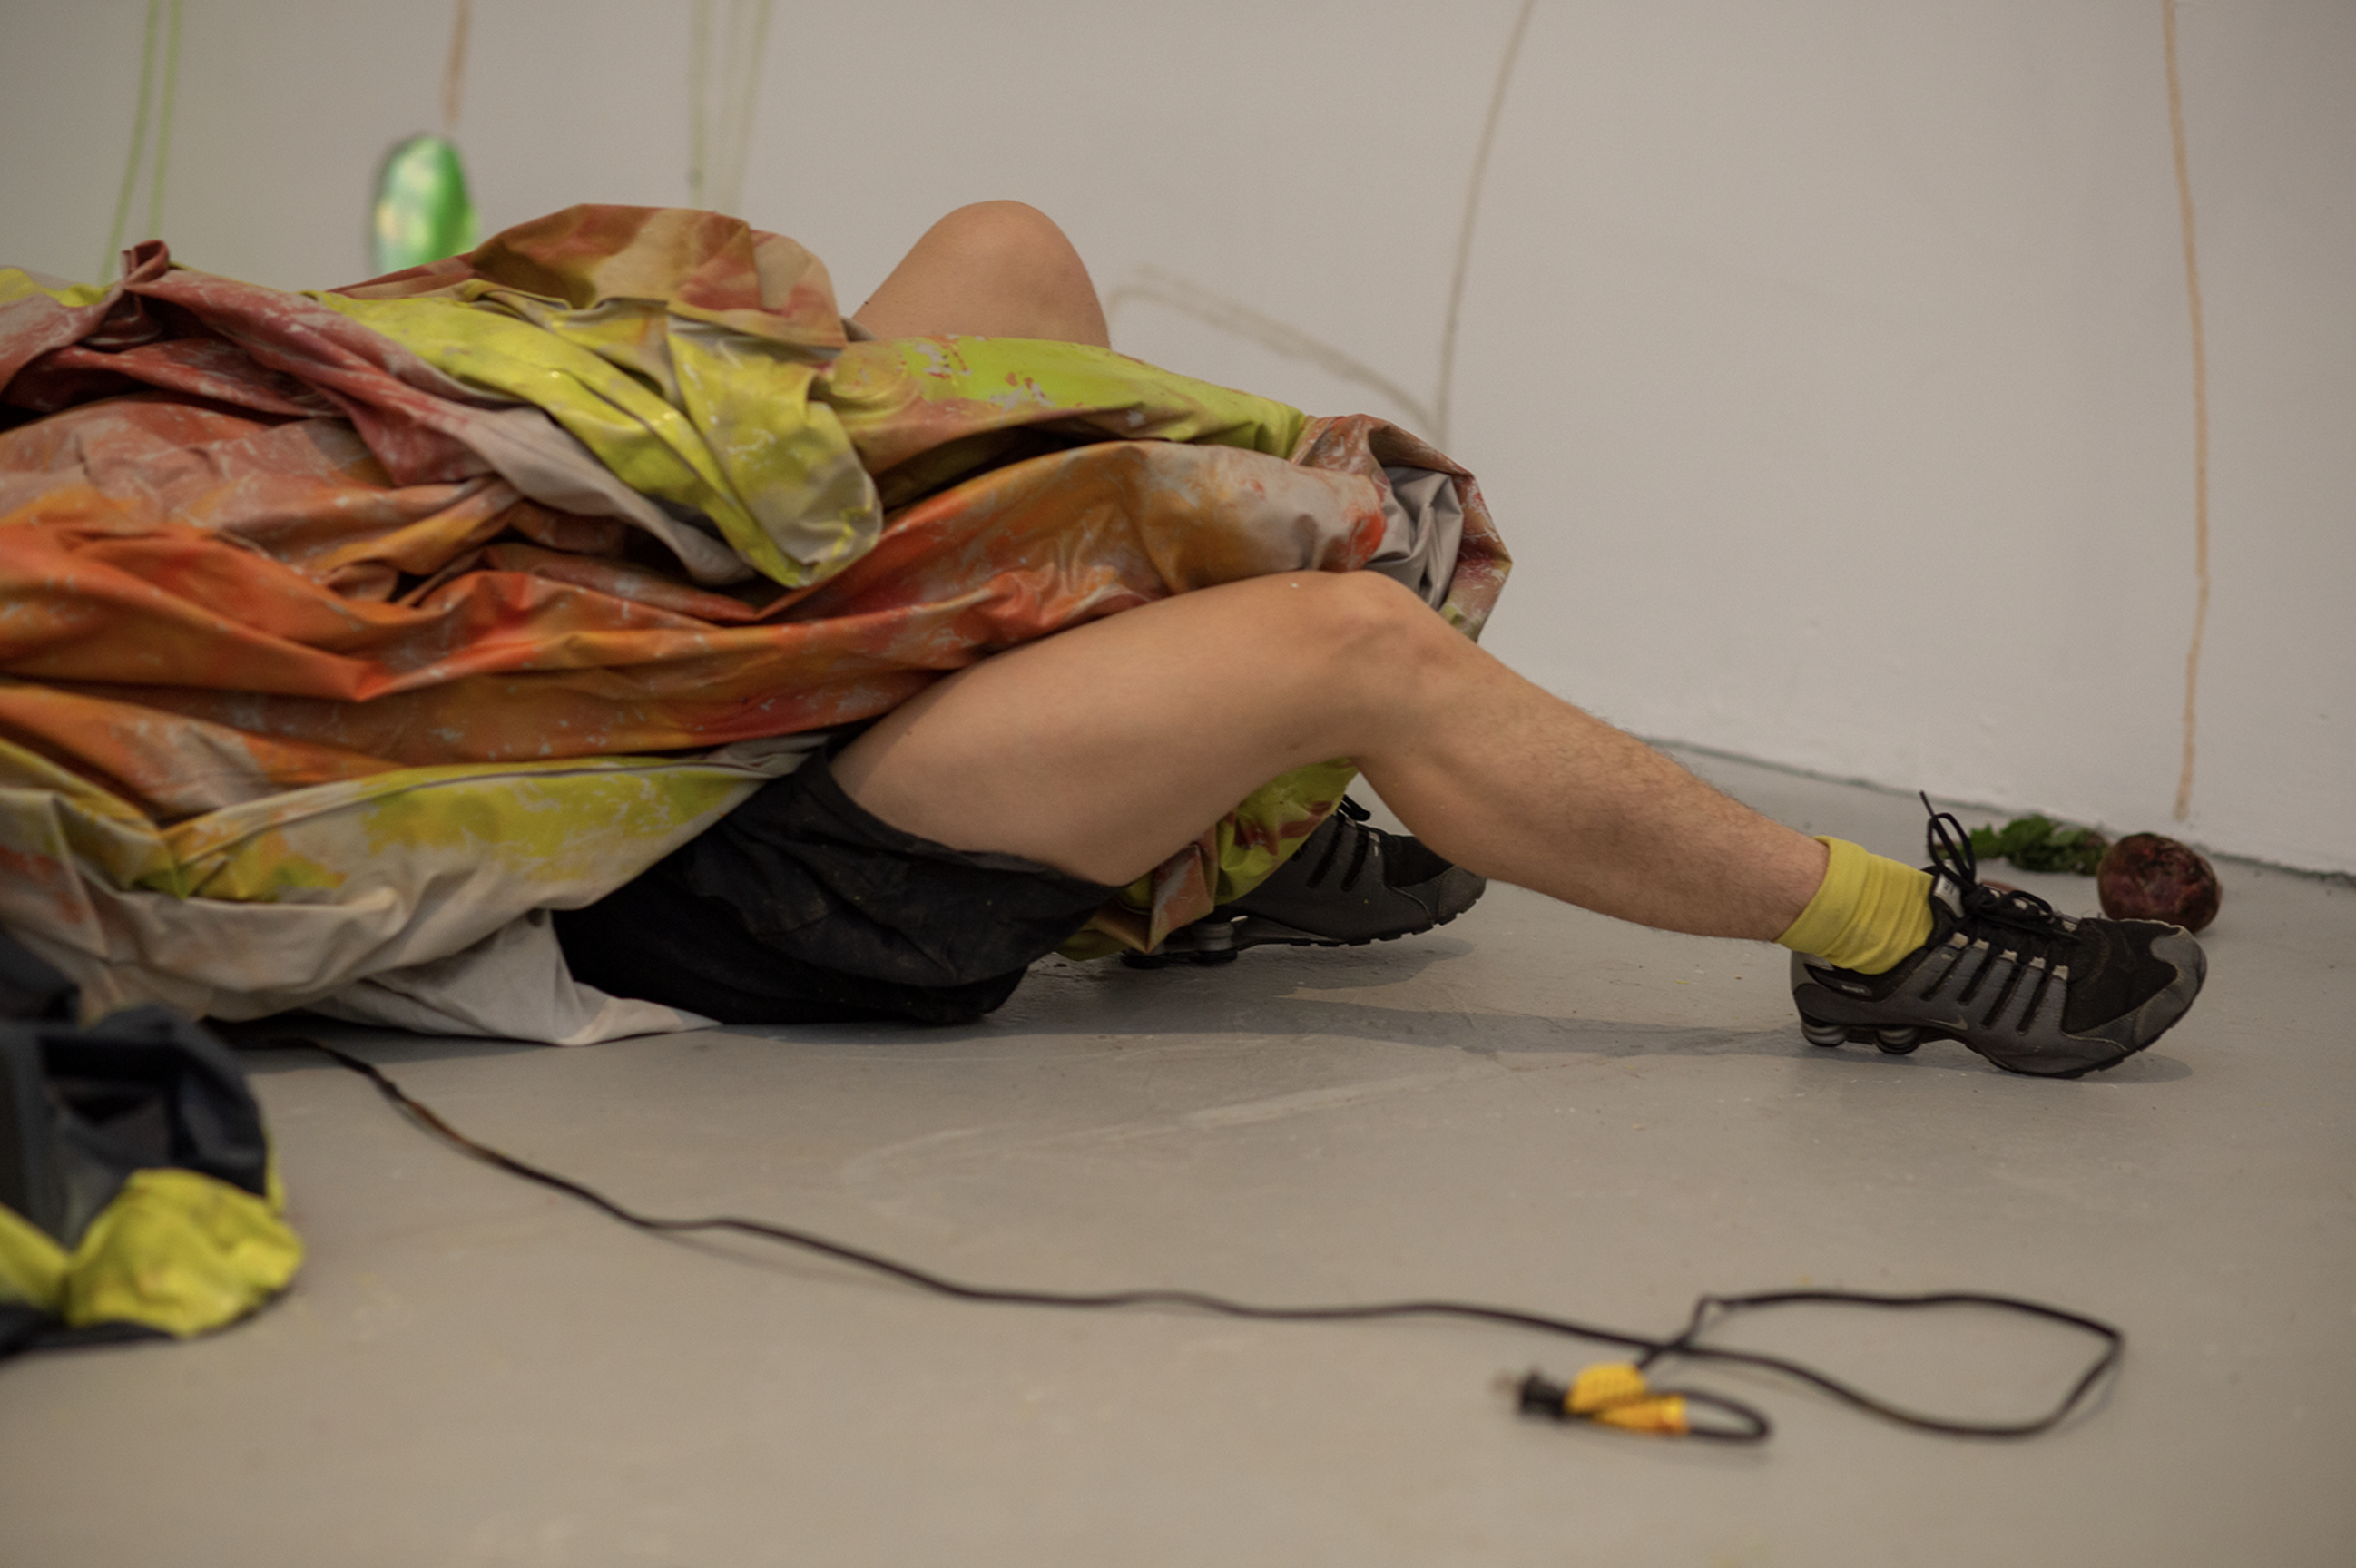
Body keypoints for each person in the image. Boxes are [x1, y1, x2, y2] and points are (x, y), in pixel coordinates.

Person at [552, 202, 2205, 1079]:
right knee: (1357, 643)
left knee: (1008, 255)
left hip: (736, 666)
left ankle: (1192, 842)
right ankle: (1882, 940)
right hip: (710, 847)